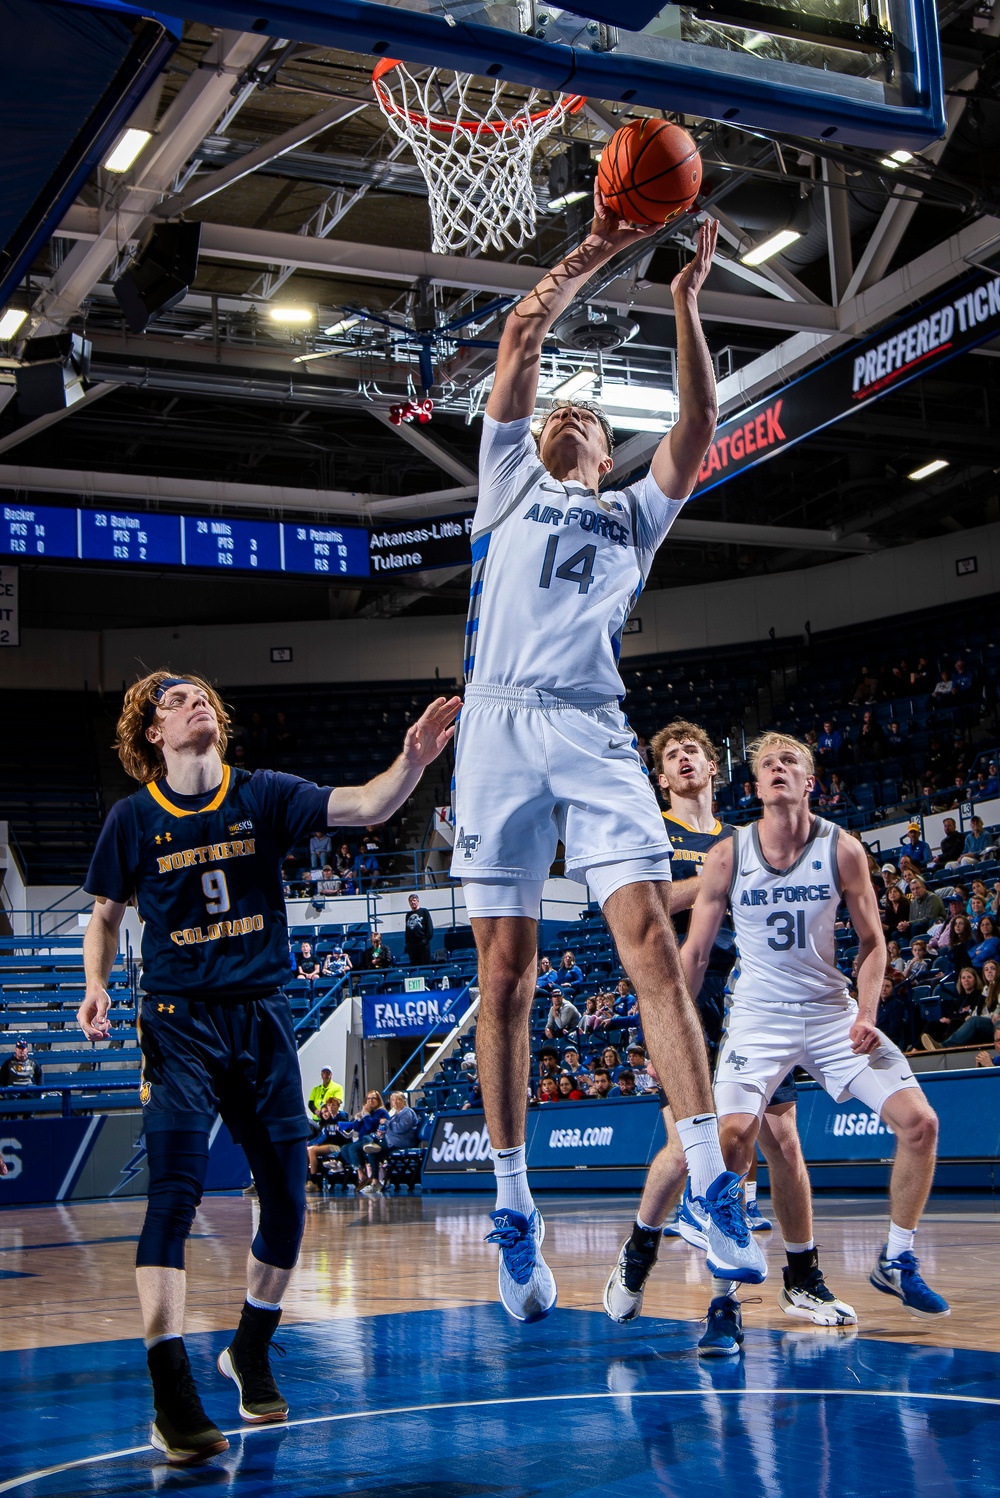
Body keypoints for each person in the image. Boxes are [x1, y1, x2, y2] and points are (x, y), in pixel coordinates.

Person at [452, 205, 762, 1322]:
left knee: (652, 952)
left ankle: (714, 1191)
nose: (569, 415)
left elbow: (701, 416)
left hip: (590, 726)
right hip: (495, 724)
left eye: (588, 413)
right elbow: (523, 341)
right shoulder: (506, 483)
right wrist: (605, 243)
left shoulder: (634, 516)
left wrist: (683, 301)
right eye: (559, 413)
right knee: (507, 977)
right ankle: (512, 1203)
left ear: (604, 444)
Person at [76, 670, 458, 1464]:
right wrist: (94, 985)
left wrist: (414, 761)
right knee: (174, 1198)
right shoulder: (132, 819)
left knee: (288, 1202)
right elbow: (105, 915)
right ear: (152, 733)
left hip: (262, 1016)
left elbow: (368, 804)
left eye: (201, 697)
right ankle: (170, 1391)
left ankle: (249, 1346)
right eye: (175, 701)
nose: (194, 704)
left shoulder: (262, 793)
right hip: (179, 1023)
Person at [681, 730, 948, 1353]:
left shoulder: (843, 849)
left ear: (809, 783)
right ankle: (725, 1303)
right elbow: (694, 952)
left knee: (921, 1124)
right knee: (733, 1139)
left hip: (832, 1014)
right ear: (754, 787)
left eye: (790, 762)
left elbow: (875, 944)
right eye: (766, 764)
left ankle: (897, 1259)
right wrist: (678, 1029)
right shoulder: (728, 854)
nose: (777, 769)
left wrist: (870, 1012)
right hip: (757, 1017)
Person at [604, 720, 839, 1340]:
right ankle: (640, 1249)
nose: (684, 760)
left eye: (693, 752)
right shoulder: (653, 832)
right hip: (677, 997)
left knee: (775, 1141)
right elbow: (646, 904)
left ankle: (763, 1291)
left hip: (748, 998)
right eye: (672, 756)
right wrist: (719, 883)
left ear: (713, 768)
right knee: (689, 1149)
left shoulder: (743, 839)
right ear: (661, 777)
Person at [404, 894, 435, 967]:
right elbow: (407, 929)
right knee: (415, 966)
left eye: (414, 900)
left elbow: (429, 926)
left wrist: (426, 939)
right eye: (411, 901)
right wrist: (407, 943)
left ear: (418, 901)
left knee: (425, 965)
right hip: (412, 946)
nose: (412, 902)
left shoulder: (424, 911)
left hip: (423, 944)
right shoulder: (408, 915)